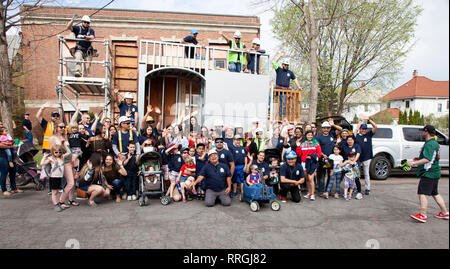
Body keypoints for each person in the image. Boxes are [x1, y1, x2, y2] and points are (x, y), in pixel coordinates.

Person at [407, 125, 449, 223]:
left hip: (429, 173)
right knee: (435, 193)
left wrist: (413, 163)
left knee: (422, 193)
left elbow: (427, 159)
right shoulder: (434, 143)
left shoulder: (429, 144)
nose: (422, 133)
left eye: (423, 131)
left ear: (426, 132)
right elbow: (431, 157)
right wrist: (419, 158)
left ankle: (423, 215)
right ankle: (445, 213)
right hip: (435, 172)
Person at [272, 51, 302, 119]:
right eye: (285, 65)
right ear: (282, 65)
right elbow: (274, 62)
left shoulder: (290, 72)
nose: (286, 66)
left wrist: (299, 87)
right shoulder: (279, 70)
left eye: (287, 65)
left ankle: (282, 117)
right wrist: (280, 55)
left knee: (283, 104)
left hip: (285, 91)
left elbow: (295, 80)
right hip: (277, 89)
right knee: (271, 98)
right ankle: (269, 109)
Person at [316, 119, 342, 197]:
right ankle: (321, 191)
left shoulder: (332, 135)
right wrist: (322, 154)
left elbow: (340, 129)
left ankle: (328, 191)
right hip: (322, 160)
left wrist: (333, 124)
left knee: (330, 175)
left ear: (329, 128)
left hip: (331, 160)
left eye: (327, 128)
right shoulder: (318, 137)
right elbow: (317, 148)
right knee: (321, 175)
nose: (326, 129)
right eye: (324, 128)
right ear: (322, 128)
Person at [41, 145, 69, 212]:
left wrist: (64, 145)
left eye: (59, 152)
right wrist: (44, 156)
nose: (58, 154)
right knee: (54, 192)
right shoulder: (51, 158)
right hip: (53, 177)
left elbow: (68, 153)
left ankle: (57, 203)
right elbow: (42, 163)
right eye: (56, 152)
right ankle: (55, 204)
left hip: (59, 177)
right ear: (53, 152)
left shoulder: (61, 157)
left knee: (57, 191)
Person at [297, 130, 322, 201]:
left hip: (312, 163)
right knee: (307, 179)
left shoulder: (316, 143)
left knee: (311, 179)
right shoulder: (303, 144)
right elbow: (299, 154)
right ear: (306, 136)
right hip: (304, 163)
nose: (310, 136)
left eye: (311, 135)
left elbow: (319, 154)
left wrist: (311, 157)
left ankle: (313, 194)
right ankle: (309, 193)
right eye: (308, 135)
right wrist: (298, 146)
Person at [355, 117, 377, 195]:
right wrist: (360, 122)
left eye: (365, 129)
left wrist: (369, 120)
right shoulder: (357, 136)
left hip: (367, 157)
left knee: (366, 173)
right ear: (360, 129)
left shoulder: (368, 135)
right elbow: (355, 130)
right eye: (362, 129)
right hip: (358, 157)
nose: (364, 130)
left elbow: (375, 127)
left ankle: (367, 188)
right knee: (357, 173)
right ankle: (356, 187)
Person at [342, 135, 363, 199]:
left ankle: (359, 192)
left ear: (353, 140)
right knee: (348, 178)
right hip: (347, 164)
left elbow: (358, 154)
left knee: (356, 178)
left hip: (355, 163)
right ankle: (348, 192)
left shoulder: (356, 146)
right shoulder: (345, 146)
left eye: (351, 140)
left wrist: (353, 161)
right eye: (348, 140)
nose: (349, 141)